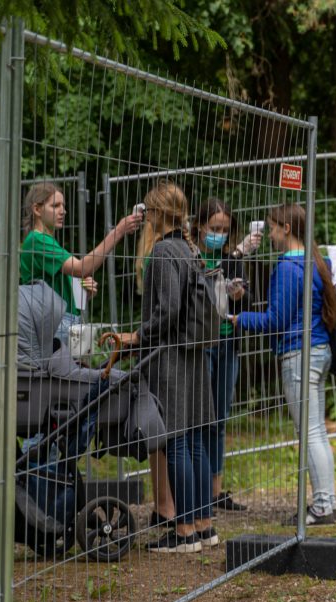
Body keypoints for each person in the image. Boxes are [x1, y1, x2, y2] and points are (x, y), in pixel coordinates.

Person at [117, 181, 217, 553]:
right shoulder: (189, 250)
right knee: (194, 441)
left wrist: (137, 336)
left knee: (175, 440)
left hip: (170, 358)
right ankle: (204, 526)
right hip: (193, 357)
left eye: (148, 212)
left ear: (157, 214)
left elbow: (167, 310)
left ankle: (183, 533)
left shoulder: (162, 252)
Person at [233, 203, 336, 525]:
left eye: (272, 228)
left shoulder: (287, 268)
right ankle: (327, 502)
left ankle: (322, 507)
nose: (269, 234)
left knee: (309, 432)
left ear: (286, 229)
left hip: (298, 354)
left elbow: (276, 320)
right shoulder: (315, 262)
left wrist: (237, 317)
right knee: (316, 431)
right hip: (318, 350)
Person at [191, 198, 261, 512]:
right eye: (214, 228)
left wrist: (240, 294)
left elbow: (248, 302)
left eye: (224, 229)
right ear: (199, 227)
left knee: (219, 418)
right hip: (200, 346)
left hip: (227, 343)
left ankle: (216, 491)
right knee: (199, 417)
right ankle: (198, 488)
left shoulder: (231, 259)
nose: (219, 234)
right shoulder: (190, 255)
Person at [20, 181, 142, 344]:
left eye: (63, 205)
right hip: (54, 324)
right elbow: (82, 268)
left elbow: (59, 289)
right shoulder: (37, 240)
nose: (63, 211)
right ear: (37, 209)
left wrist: (83, 293)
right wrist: (118, 231)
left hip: (63, 322)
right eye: (55, 206)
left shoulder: (45, 240)